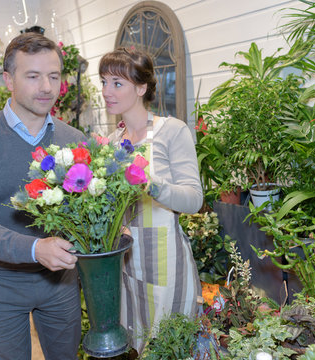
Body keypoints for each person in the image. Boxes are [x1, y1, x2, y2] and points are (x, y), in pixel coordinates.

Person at [0, 32, 86, 360]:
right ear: (8, 80)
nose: (46, 87)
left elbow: (84, 208)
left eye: (54, 76)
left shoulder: (75, 139)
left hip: (60, 283)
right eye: (33, 76)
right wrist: (36, 248)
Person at [99, 47, 203, 354]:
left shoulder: (172, 131)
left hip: (166, 261)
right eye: (104, 82)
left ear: (142, 88)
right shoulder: (112, 142)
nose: (107, 91)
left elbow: (194, 200)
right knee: (136, 345)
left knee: (168, 347)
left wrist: (153, 186)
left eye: (117, 84)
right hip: (127, 264)